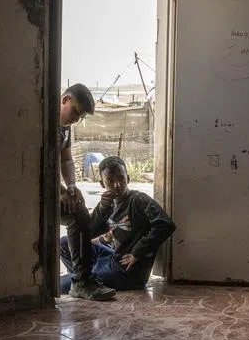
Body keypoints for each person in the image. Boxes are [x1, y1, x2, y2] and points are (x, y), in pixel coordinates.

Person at [59, 156, 176, 293]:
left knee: (58, 284)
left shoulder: (138, 199)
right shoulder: (108, 204)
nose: (117, 185)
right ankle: (85, 279)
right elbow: (87, 233)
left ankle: (84, 280)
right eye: (110, 181)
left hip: (126, 270)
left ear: (128, 178)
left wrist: (138, 252)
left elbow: (165, 224)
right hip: (112, 257)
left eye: (121, 179)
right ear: (102, 183)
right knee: (64, 244)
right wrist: (102, 209)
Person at [58, 84, 116, 301]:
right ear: (65, 100)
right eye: (75, 111)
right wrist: (61, 191)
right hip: (31, 190)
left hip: (54, 188)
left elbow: (66, 159)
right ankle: (81, 282)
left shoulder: (65, 128)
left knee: (80, 214)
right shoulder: (43, 120)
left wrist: (72, 187)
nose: (76, 119)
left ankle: (83, 281)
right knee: (78, 216)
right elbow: (41, 162)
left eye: (80, 116)